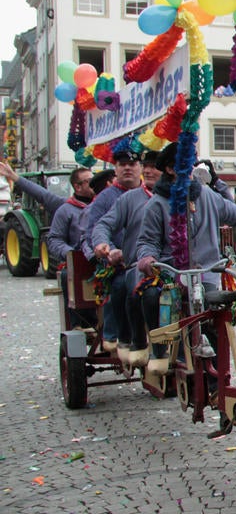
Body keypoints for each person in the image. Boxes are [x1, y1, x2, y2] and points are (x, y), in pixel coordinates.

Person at [134, 144, 236, 384]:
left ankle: (218, 381)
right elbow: (147, 241)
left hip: (206, 272)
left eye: (192, 161)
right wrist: (148, 259)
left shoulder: (207, 195)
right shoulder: (157, 204)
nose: (191, 167)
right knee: (151, 298)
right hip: (171, 273)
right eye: (184, 162)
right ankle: (160, 350)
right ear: (170, 169)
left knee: (214, 315)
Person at [90, 151, 162, 368]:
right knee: (127, 287)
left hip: (171, 266)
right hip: (134, 265)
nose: (148, 171)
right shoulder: (127, 199)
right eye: (146, 166)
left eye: (153, 167)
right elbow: (101, 225)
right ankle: (131, 339)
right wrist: (105, 245)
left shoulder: (177, 197)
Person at [81, 149, 148, 353]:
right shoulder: (104, 198)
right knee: (120, 285)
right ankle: (118, 336)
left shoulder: (151, 193)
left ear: (140, 168)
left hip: (148, 261)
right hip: (116, 265)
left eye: (132, 164)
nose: (127, 168)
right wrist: (108, 250)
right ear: (115, 170)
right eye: (122, 165)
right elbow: (95, 230)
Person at [45, 166, 97, 329]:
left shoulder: (102, 205)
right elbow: (54, 239)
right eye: (89, 181)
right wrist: (70, 254)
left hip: (99, 259)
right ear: (77, 186)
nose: (94, 184)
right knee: (68, 275)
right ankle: (78, 324)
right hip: (78, 261)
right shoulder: (65, 210)